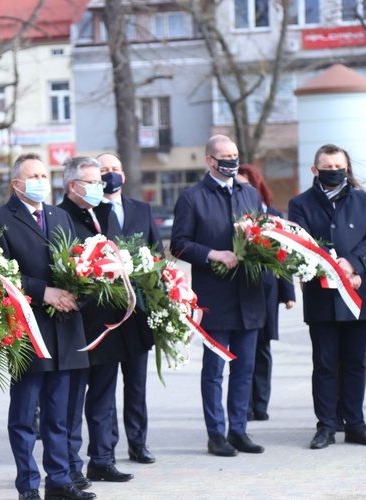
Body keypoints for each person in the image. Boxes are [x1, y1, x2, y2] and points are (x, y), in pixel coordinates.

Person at [0, 153, 95, 500]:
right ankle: (28, 484)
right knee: (24, 414)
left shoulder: (59, 215)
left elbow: (79, 261)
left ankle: (59, 480)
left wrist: (81, 292)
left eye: (45, 175)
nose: (41, 181)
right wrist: (43, 291)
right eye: (34, 176)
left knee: (59, 414)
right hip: (29, 329)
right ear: (17, 184)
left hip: (66, 327)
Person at [170, 135, 267, 457]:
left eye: (235, 155)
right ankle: (216, 434)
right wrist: (213, 253)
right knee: (214, 371)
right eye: (225, 156)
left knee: (244, 369)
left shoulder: (249, 193)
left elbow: (263, 235)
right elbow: (179, 243)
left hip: (249, 296)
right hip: (215, 297)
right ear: (210, 161)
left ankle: (238, 430)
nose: (231, 161)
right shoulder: (192, 197)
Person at [287, 144, 366, 450]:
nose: (334, 172)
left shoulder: (363, 199)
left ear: (347, 168)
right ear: (315, 170)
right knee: (325, 363)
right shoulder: (300, 203)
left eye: (338, 167)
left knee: (356, 362)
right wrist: (331, 268)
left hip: (358, 292)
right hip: (321, 296)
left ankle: (355, 424)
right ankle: (326, 426)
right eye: (327, 168)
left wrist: (353, 264)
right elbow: (299, 245)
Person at [58, 156, 141, 484]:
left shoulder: (105, 211)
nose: (99, 187)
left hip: (109, 323)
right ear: (72, 185)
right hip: (77, 325)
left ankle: (102, 458)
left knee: (104, 397)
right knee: (72, 400)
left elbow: (122, 254)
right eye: (91, 182)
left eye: (99, 181)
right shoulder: (59, 216)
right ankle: (68, 465)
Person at [98, 152, 161, 464]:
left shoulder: (141, 208)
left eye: (115, 169)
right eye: (104, 170)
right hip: (104, 315)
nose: (111, 174)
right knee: (105, 385)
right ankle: (105, 446)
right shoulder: (91, 212)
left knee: (136, 383)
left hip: (139, 313)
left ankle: (138, 443)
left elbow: (157, 254)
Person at [235, 164, 296, 422]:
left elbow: (283, 255)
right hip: (239, 289)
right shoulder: (234, 214)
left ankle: (260, 404)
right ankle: (244, 405)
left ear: (257, 186)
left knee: (262, 347)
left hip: (266, 289)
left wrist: (288, 291)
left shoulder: (271, 215)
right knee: (243, 348)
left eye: (246, 185)